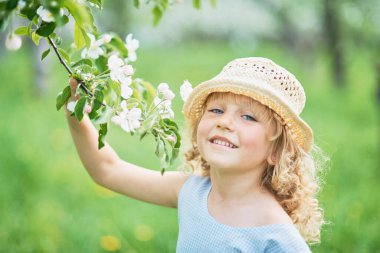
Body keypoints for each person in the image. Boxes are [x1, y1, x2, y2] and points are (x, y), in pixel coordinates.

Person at [66, 57, 326, 252]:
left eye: (248, 117)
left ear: (275, 152)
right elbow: (107, 170)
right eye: (215, 111)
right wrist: (77, 118)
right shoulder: (193, 191)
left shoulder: (275, 235)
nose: (224, 122)